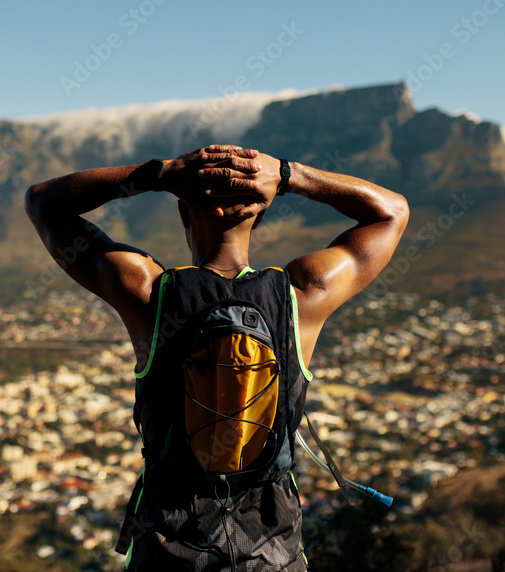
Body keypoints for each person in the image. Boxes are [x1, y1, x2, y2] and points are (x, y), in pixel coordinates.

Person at [25, 145, 409, 571]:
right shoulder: (304, 294)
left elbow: (43, 202)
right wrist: (287, 175)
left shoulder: (147, 291)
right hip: (273, 553)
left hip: (167, 552)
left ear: (183, 216)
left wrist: (162, 173)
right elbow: (391, 211)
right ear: (261, 214)